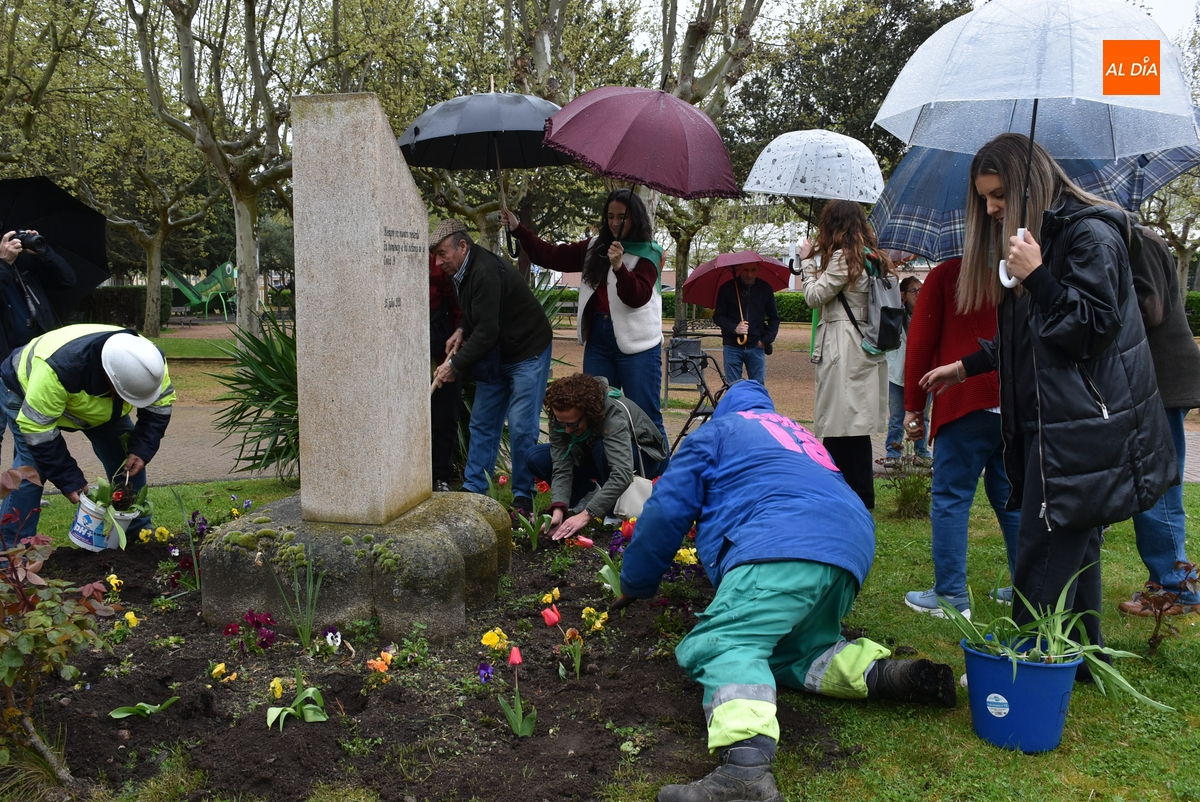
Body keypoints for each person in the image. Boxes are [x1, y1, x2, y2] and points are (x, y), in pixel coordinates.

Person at [613, 380, 955, 802]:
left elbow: (665, 510)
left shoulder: (716, 433)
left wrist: (635, 582)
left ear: (724, 410)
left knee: (727, 642)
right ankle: (881, 675)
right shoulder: (799, 434)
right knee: (794, 649)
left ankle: (746, 771)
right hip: (849, 547)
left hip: (779, 542)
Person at [920, 133, 1177, 672]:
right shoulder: (1035, 237)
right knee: (1076, 546)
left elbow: (1089, 328)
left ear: (1026, 184)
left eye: (996, 195)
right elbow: (1029, 339)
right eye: (983, 197)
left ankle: (1019, 667)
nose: (989, 208)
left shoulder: (1090, 235)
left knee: (1043, 546)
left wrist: (1036, 275)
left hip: (1082, 427)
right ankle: (1083, 658)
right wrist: (967, 366)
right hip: (1056, 419)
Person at [901, 259, 1021, 618]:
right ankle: (1025, 586)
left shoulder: (947, 274)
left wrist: (912, 407)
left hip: (963, 398)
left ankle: (950, 595)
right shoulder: (1019, 267)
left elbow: (920, 341)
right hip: (1014, 401)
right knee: (1012, 498)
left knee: (951, 497)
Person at [500, 190, 666, 438]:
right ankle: (602, 475)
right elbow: (550, 255)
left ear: (636, 218)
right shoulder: (594, 247)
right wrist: (517, 229)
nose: (615, 222)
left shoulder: (649, 252)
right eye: (610, 216)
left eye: (623, 217)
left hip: (638, 346)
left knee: (645, 417)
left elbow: (637, 297)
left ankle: (658, 477)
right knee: (595, 414)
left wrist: (620, 266)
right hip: (599, 339)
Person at [0, 324, 175, 538]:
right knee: (31, 470)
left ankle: (136, 531)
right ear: (110, 379)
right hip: (25, 393)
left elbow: (160, 407)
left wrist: (142, 448)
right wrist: (68, 477)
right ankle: (13, 553)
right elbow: (38, 430)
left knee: (126, 456)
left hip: (95, 407)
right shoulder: (57, 370)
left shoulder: (150, 362)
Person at [430, 219, 553, 516]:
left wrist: (453, 366)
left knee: (523, 426)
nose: (438, 261)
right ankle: (475, 490)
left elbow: (486, 332)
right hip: (495, 355)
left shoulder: (484, 271)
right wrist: (460, 328)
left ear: (462, 245)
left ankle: (522, 498)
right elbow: (478, 312)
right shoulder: (459, 271)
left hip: (526, 351)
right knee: (482, 423)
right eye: (435, 255)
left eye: (442, 253)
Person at [1118, 227, 1200, 616]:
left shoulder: (1140, 240)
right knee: (1144, 480)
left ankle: (1177, 588)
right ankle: (1166, 580)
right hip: (1147, 382)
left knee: (1159, 485)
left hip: (1161, 382)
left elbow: (1150, 308)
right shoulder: (1130, 237)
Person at [799, 200, 893, 509]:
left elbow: (814, 297)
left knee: (840, 425)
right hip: (864, 344)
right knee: (854, 425)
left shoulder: (843, 259)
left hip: (844, 347)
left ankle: (845, 495)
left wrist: (807, 263)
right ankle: (856, 496)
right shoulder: (870, 257)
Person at [525, 372, 669, 539]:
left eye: (572, 424)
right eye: (561, 423)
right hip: (594, 455)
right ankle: (588, 493)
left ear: (589, 412)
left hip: (640, 458)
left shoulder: (613, 413)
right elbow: (561, 466)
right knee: (535, 457)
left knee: (602, 448)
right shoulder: (562, 416)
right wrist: (558, 508)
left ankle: (613, 511)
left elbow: (622, 472)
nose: (567, 430)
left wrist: (586, 515)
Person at [0, 229, 77, 538]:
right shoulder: (5, 264)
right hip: (3, 369)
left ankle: (12, 542)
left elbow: (68, 281)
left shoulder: (28, 265)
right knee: (31, 454)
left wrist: (42, 252)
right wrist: (4, 264)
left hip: (32, 371)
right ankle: (12, 542)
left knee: (30, 455)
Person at [713, 262, 780, 385]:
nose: (749, 274)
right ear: (739, 269)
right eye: (746, 270)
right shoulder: (727, 288)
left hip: (756, 346)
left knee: (758, 387)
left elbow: (774, 318)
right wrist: (734, 328)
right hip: (732, 346)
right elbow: (718, 316)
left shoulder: (765, 288)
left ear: (758, 269)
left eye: (753, 270)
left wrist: (766, 340)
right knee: (733, 387)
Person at [885, 275, 928, 463]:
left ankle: (920, 452)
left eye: (921, 290)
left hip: (923, 374)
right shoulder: (897, 315)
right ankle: (893, 453)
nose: (918, 294)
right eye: (913, 291)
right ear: (903, 294)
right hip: (898, 373)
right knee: (896, 417)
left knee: (923, 416)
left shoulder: (928, 315)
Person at [429, 252, 462, 492]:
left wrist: (459, 332)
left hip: (441, 350)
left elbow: (457, 304)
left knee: (444, 416)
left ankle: (440, 476)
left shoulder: (435, 264)